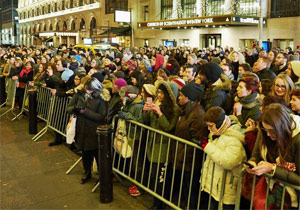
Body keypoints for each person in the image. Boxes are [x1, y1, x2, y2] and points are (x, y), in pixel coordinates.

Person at [245, 104, 300, 209]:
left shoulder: (297, 139)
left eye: (272, 131)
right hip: (272, 189)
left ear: (281, 127)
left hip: (293, 199)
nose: (269, 135)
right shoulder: (265, 131)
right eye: (266, 131)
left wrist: (272, 168)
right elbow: (255, 156)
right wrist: (252, 163)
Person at [142, 81, 180, 209]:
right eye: (158, 92)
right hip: (152, 144)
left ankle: (159, 204)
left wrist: (160, 114)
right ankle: (156, 202)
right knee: (153, 176)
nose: (159, 95)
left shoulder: (174, 109)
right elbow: (148, 122)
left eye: (161, 93)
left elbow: (169, 127)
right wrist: (145, 111)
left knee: (159, 178)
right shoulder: (157, 103)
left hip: (164, 148)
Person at [200, 107, 246, 209]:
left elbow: (228, 161)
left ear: (220, 123)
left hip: (226, 189)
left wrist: (208, 147)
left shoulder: (234, 140)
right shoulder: (217, 133)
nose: (209, 129)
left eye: (211, 126)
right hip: (216, 185)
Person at [66, 77, 110, 184]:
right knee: (85, 152)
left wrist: (85, 111)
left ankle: (101, 175)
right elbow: (69, 107)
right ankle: (87, 172)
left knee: (96, 153)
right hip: (81, 128)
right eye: (87, 89)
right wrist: (74, 109)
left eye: (90, 89)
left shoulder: (101, 98)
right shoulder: (79, 94)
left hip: (94, 130)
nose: (88, 91)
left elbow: (101, 116)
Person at [173, 83, 208, 208]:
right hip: (183, 157)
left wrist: (184, 159)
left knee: (191, 191)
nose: (179, 98)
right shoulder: (187, 111)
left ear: (189, 98)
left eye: (182, 95)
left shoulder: (198, 115)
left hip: (189, 160)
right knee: (186, 189)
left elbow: (196, 140)